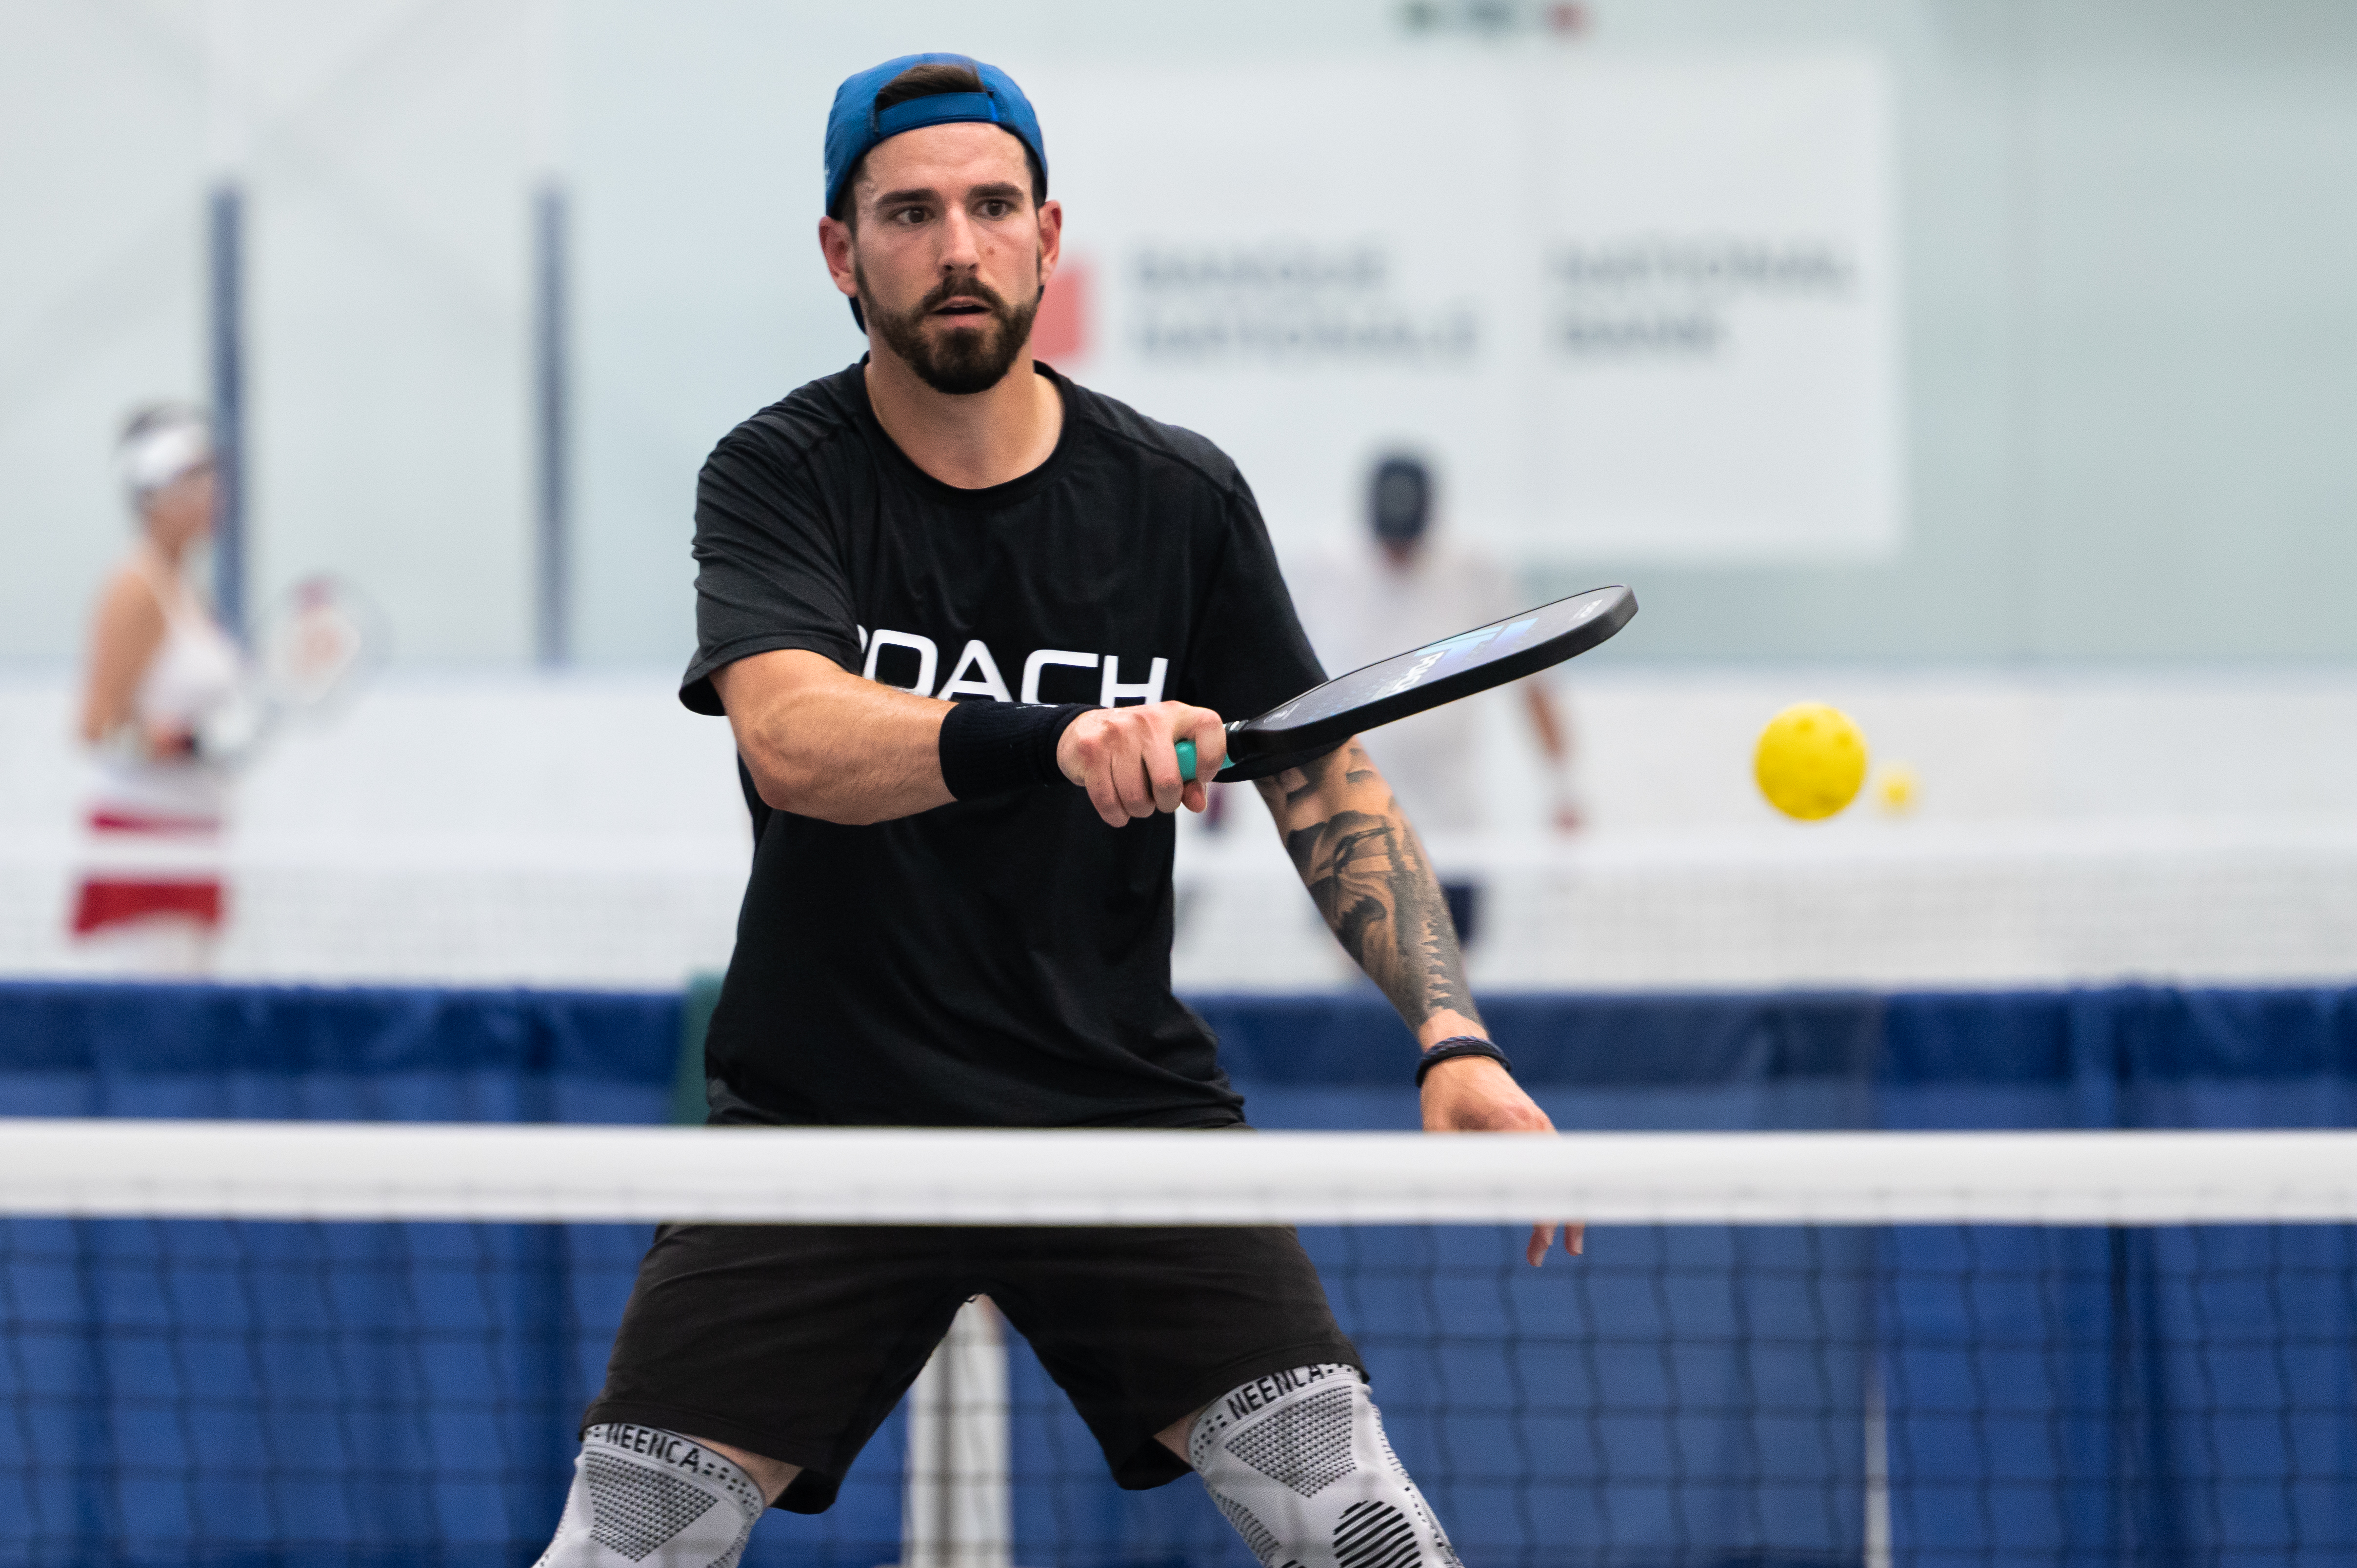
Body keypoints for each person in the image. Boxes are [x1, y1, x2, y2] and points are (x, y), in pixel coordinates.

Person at [535, 55, 1575, 1568]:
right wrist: (1059, 738)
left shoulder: (1175, 497)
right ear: (840, 251)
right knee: (623, 1547)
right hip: (824, 1118)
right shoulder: (777, 475)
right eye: (909, 213)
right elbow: (793, 737)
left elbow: (1320, 774)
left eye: (990, 206)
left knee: (1363, 1532)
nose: (956, 245)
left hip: (1116, 1114)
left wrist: (1452, 1036)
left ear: (1047, 233)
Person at [1289, 453, 1581, 950]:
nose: (1397, 554)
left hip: (1452, 831)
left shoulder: (1475, 569)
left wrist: (1562, 789)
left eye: (1408, 541)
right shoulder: (1322, 568)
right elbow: (1281, 678)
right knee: (1362, 971)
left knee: (1447, 975)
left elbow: (1532, 683)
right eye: (1389, 541)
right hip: (1348, 830)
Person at [70, 405, 241, 972]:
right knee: (156, 1016)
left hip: (193, 836)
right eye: (196, 479)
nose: (214, 493)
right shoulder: (135, 589)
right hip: (145, 846)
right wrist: (183, 743)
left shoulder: (185, 587)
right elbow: (95, 729)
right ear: (155, 496)